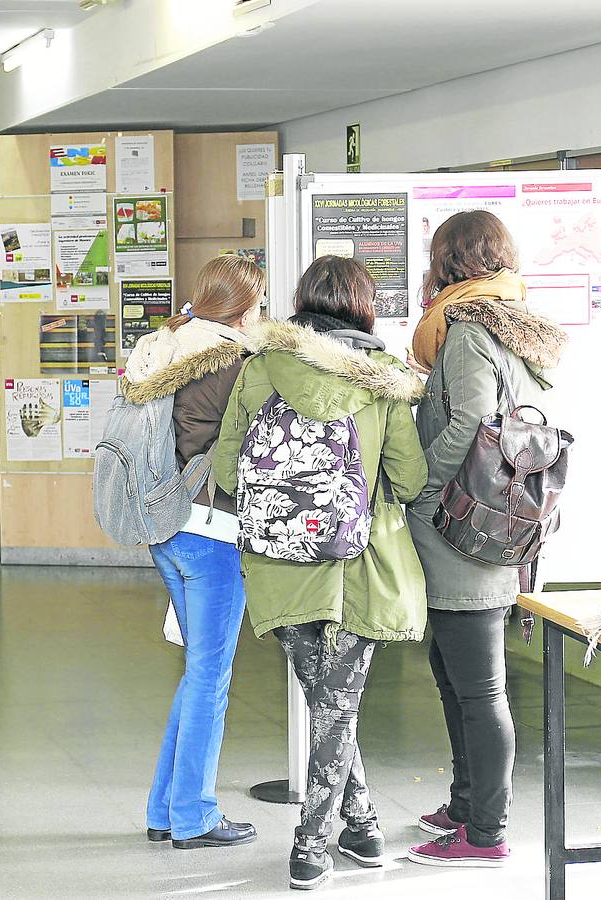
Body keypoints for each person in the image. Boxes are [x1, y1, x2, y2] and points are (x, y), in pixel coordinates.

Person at [212, 256, 428, 890]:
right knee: (336, 708)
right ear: (364, 307)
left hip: (279, 566)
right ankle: (311, 848)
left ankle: (361, 826)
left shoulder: (258, 371)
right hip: (359, 566)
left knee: (331, 705)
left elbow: (228, 471)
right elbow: (410, 477)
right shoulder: (382, 381)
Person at [405, 210, 566, 868]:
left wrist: (421, 485)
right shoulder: (512, 328)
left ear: (450, 261)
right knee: (455, 674)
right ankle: (466, 801)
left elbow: (472, 418)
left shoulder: (469, 332)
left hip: (462, 525)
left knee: (477, 687)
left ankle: (485, 832)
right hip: (493, 522)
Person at [120, 255, 263, 852]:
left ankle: (165, 807)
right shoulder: (233, 363)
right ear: (242, 307)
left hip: (168, 528)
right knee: (211, 676)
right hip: (214, 533)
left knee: (197, 670)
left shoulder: (166, 344)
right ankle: (195, 816)